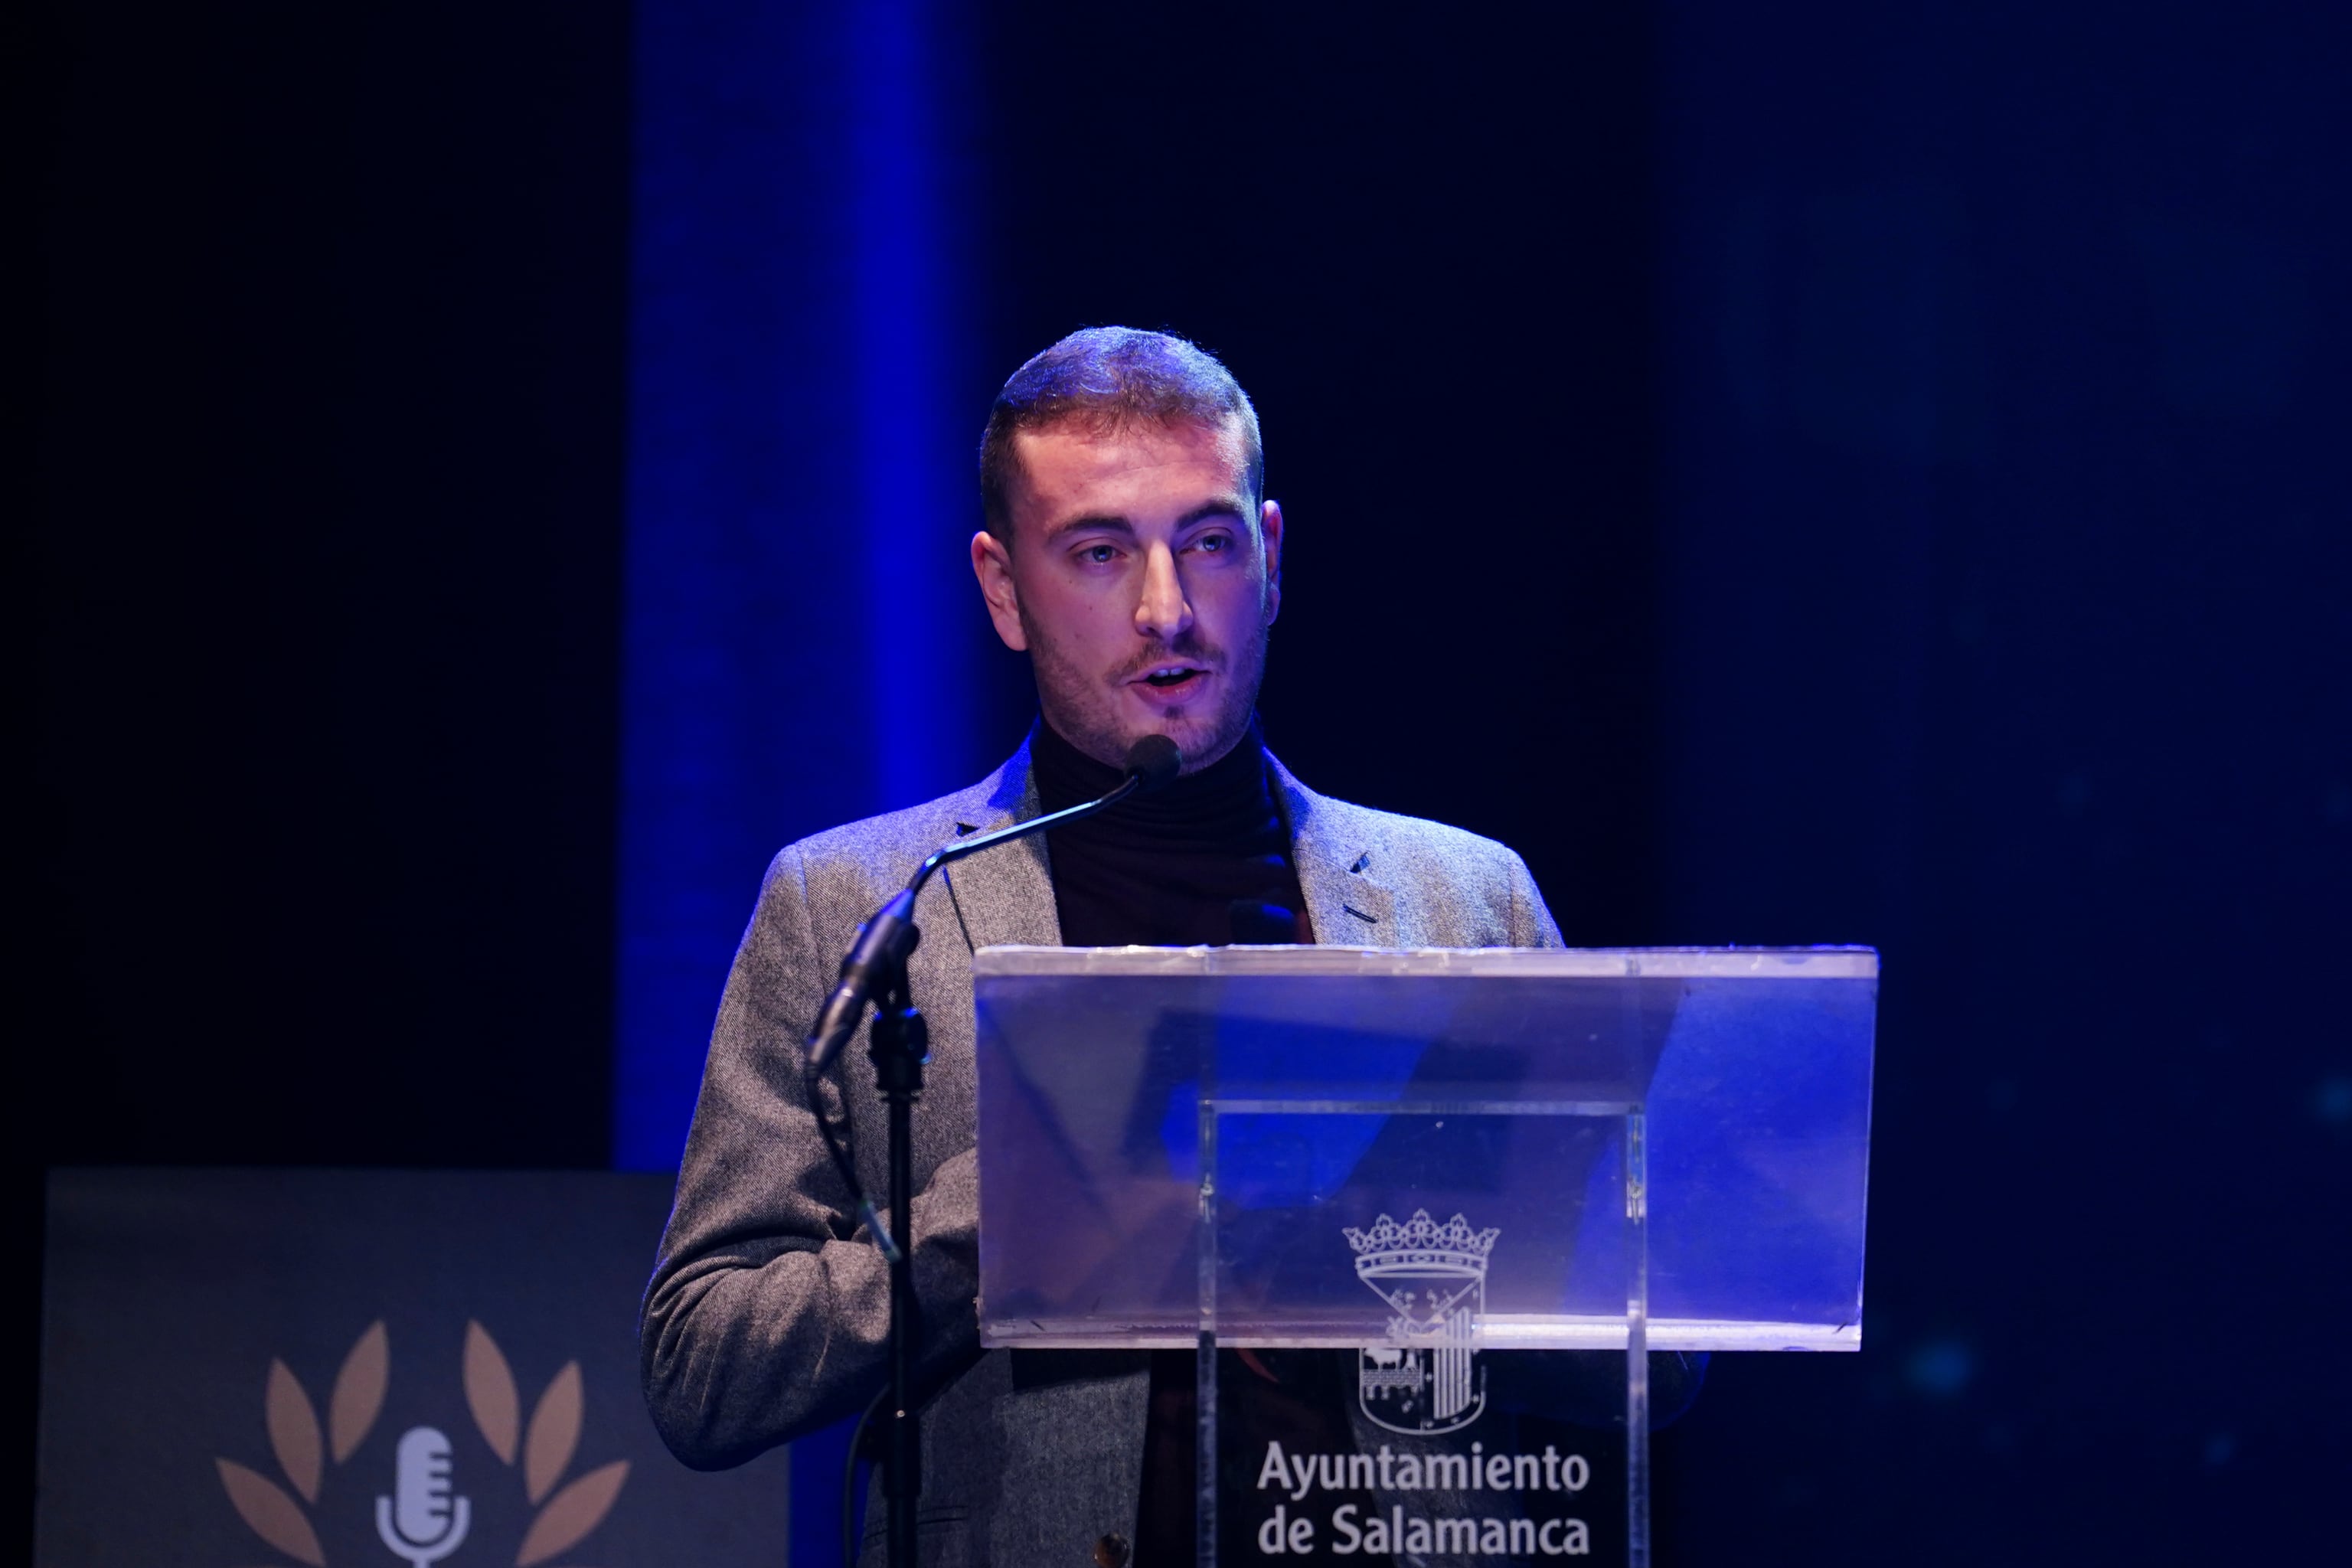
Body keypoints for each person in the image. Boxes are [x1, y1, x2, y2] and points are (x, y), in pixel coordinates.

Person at [640, 327, 1694, 1565]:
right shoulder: (863, 903)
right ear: (1002, 587)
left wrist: (1398, 1264)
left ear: (1274, 554)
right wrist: (1001, 1213)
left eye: (1208, 542)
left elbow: (1658, 1352)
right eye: (1098, 552)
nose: (1167, 610)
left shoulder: (1467, 899)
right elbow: (701, 1370)